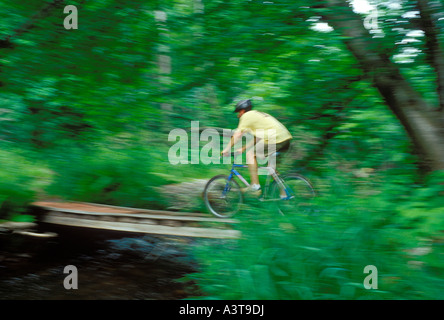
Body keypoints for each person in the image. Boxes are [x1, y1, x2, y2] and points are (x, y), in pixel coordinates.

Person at [221, 99, 292, 196]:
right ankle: (284, 194)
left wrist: (226, 149)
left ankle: (255, 185)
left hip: (276, 139)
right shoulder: (256, 115)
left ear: (242, 111)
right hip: (285, 139)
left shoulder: (246, 116)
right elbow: (258, 137)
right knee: (271, 168)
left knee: (250, 154)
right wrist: (243, 148)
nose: (238, 116)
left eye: (238, 113)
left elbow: (237, 134)